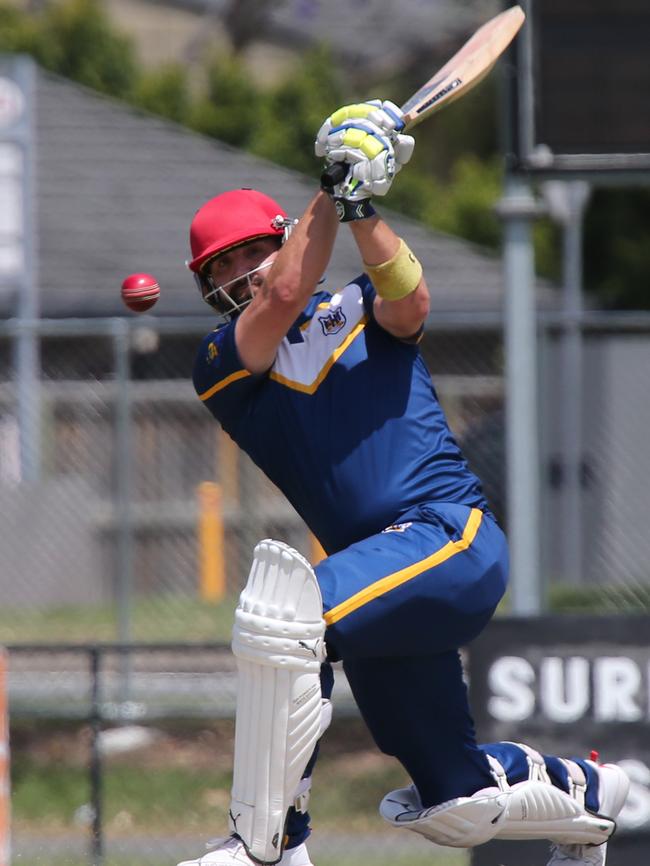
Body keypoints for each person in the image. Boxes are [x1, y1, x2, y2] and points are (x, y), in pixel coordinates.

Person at [179, 101, 629, 866]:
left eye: (247, 252)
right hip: (383, 582)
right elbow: (283, 296)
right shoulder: (224, 366)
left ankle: (269, 848)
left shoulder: (356, 306)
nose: (236, 274)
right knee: (454, 803)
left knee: (286, 615)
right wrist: (334, 185)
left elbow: (410, 298)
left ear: (285, 240)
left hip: (448, 537)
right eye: (218, 268)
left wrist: (355, 204)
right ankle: (586, 793)